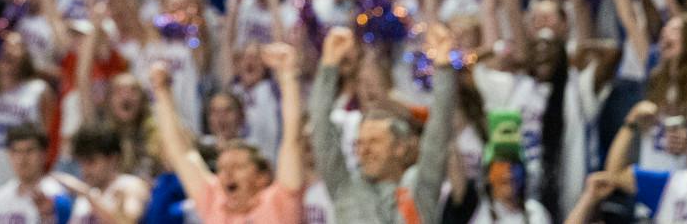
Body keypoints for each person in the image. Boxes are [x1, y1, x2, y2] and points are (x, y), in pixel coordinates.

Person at [310, 24, 458, 224]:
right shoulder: (344, 187)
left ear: (399, 147)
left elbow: (439, 133)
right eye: (360, 143)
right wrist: (328, 64)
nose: (364, 150)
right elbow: (321, 129)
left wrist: (443, 68)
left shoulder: (418, 187)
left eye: (374, 141)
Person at [150, 40, 305, 224]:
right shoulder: (214, 200)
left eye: (238, 167)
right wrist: (162, 91)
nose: (227, 174)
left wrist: (288, 76)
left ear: (262, 178)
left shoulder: (280, 201)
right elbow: (181, 154)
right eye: (222, 168)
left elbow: (292, 139)